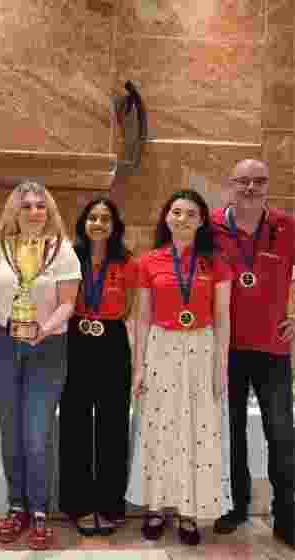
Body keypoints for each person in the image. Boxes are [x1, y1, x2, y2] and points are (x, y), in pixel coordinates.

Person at [0, 180, 81, 550]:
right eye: (27, 206)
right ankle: (17, 506)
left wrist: (45, 329)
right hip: (5, 347)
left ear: (50, 211)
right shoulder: (3, 247)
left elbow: (68, 303)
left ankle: (40, 512)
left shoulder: (62, 250)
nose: (34, 212)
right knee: (11, 433)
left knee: (37, 434)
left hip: (47, 348)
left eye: (41, 206)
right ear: (15, 211)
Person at [126, 189, 232, 546]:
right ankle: (156, 507)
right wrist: (138, 366)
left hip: (201, 347)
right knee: (160, 426)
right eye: (176, 212)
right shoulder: (149, 261)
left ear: (202, 220)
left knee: (195, 428)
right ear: (166, 218)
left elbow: (223, 318)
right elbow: (141, 317)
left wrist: (221, 367)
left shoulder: (215, 262)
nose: (182, 219)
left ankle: (189, 510)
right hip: (161, 347)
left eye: (190, 213)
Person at [210, 159, 295, 549]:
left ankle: (287, 513)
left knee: (280, 433)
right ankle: (236, 505)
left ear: (267, 186)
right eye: (243, 181)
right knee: (230, 432)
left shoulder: (286, 226)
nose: (250, 188)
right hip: (223, 349)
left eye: (258, 181)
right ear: (230, 185)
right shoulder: (210, 227)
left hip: (273, 349)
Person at [57, 197, 138, 536]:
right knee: (74, 423)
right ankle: (78, 504)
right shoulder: (69, 258)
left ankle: (109, 503)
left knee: (113, 424)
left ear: (115, 225)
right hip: (75, 340)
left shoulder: (128, 262)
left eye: (106, 218)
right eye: (93, 217)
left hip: (112, 342)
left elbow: (133, 306)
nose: (99, 223)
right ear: (83, 223)